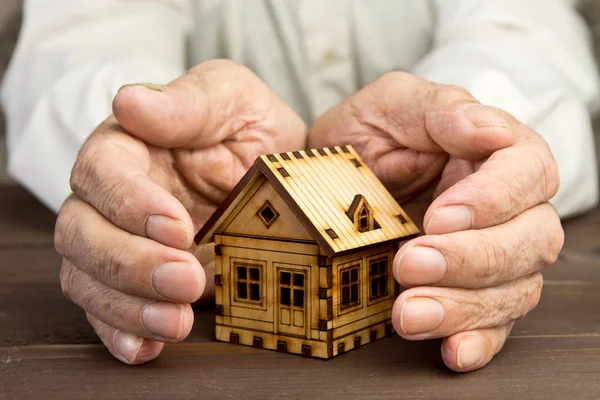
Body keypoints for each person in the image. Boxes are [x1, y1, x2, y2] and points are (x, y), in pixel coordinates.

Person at [2, 0, 598, 372]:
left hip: (407, 200)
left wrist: (469, 152)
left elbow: (524, 36)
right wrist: (140, 158)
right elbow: (81, 41)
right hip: (205, 209)